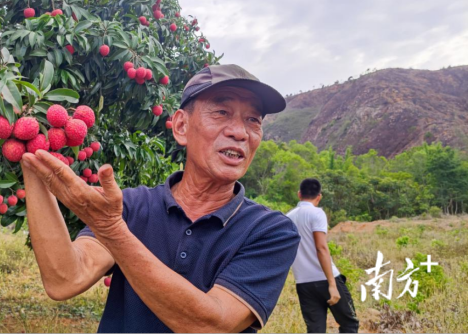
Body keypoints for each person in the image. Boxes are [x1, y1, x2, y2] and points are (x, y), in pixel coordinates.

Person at [21, 64, 300, 333]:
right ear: (181, 126)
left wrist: (113, 232)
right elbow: (64, 279)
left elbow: (210, 324)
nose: (239, 132)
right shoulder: (131, 207)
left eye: (253, 120)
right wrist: (33, 161)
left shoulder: (271, 231)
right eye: (221, 112)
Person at [286, 179, 359, 333]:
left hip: (303, 283)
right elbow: (321, 248)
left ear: (299, 194)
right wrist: (332, 284)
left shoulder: (288, 217)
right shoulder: (317, 213)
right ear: (319, 197)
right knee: (349, 324)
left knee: (315, 330)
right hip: (325, 278)